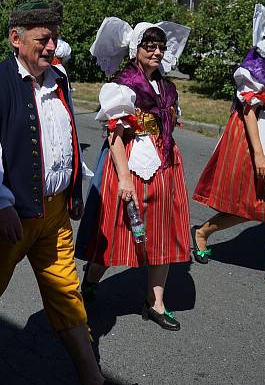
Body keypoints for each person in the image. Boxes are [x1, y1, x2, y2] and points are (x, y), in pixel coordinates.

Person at [0, 1, 106, 385]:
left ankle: (93, 379)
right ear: (16, 39)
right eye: (43, 39)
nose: (50, 46)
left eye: (54, 38)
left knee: (67, 294)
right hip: (9, 215)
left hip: (55, 215)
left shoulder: (58, 79)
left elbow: (67, 138)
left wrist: (74, 189)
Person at [77, 17, 192, 331]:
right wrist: (124, 177)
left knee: (163, 229)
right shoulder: (122, 83)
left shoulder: (167, 86)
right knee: (118, 228)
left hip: (165, 161)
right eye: (149, 46)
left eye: (160, 46)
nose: (156, 52)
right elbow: (114, 133)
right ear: (135, 49)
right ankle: (90, 278)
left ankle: (155, 302)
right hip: (128, 159)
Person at [191, 4, 265, 292]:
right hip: (254, 135)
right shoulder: (254, 66)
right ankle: (203, 232)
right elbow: (249, 111)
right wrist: (258, 154)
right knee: (249, 203)